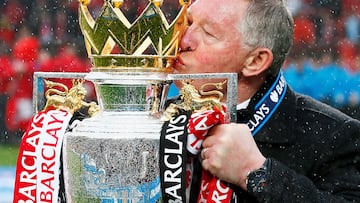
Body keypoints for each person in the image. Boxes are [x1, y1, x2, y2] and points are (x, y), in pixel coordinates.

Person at [173, 0, 360, 202]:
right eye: (188, 22)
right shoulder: (158, 119)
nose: (183, 40)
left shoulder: (333, 136)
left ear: (255, 61)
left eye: (208, 34)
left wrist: (257, 173)